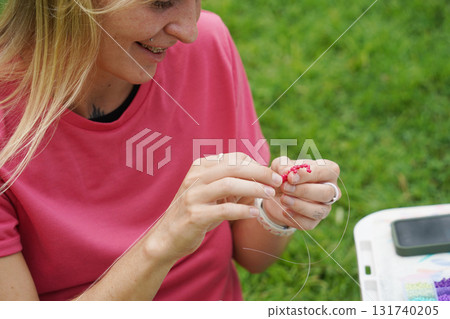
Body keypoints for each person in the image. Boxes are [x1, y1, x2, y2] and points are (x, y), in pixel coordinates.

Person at [0, 0, 340, 301]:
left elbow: (254, 258)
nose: (188, 31)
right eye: (161, 3)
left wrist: (276, 211)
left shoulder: (207, 44)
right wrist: (165, 241)